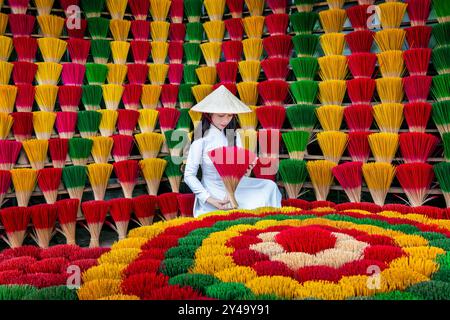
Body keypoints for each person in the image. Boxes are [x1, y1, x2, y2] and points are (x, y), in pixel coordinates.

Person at [183, 85, 282, 218]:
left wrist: (247, 168)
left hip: (236, 187)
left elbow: (241, 172)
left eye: (230, 116)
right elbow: (189, 175)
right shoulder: (201, 140)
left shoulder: (232, 136)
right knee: (248, 207)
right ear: (209, 114)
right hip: (214, 192)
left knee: (270, 186)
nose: (225, 120)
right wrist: (209, 199)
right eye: (221, 115)